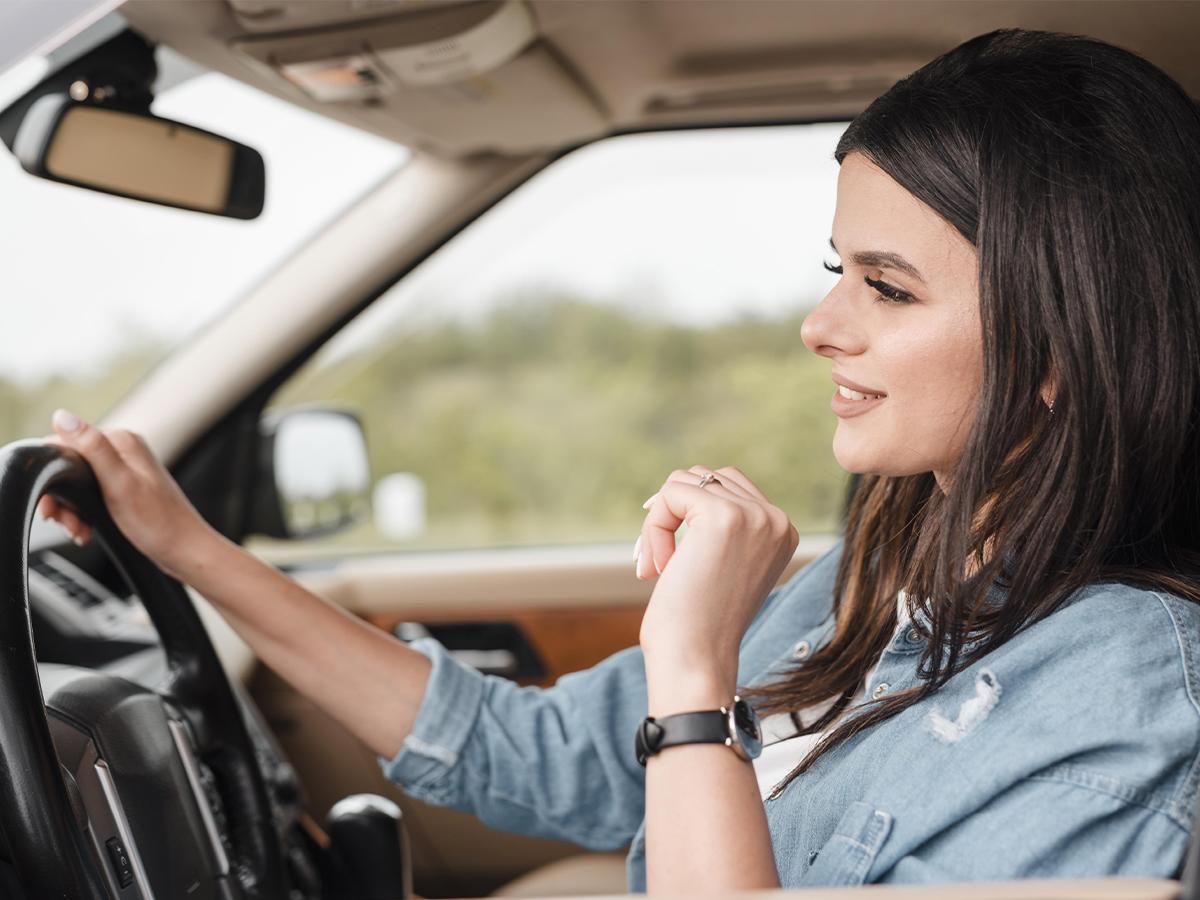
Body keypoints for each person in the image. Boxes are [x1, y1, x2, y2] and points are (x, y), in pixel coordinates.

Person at [39, 27, 1200, 894]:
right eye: (834, 269)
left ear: (1064, 343)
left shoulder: (1131, 697)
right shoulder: (868, 583)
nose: (822, 325)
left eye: (886, 287)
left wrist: (691, 671)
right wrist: (187, 549)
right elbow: (515, 754)